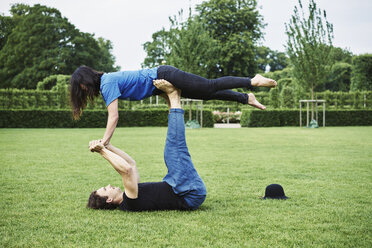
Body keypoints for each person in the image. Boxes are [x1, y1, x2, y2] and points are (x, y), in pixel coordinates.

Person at [70, 65, 277, 146]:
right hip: (160, 84)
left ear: (86, 80)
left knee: (208, 86)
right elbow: (146, 87)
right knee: (206, 95)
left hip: (165, 75)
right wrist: (168, 98)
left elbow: (113, 116)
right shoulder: (108, 82)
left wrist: (104, 141)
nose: (84, 91)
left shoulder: (107, 83)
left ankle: (252, 80)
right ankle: (245, 98)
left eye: (82, 87)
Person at [87, 80, 206, 211]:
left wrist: (108, 146)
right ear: (109, 200)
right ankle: (173, 96)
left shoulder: (131, 192)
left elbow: (131, 164)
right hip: (188, 194)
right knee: (174, 149)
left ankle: (171, 99)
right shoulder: (129, 202)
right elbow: (126, 170)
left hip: (178, 186)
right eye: (105, 189)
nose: (109, 185)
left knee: (172, 151)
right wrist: (103, 152)